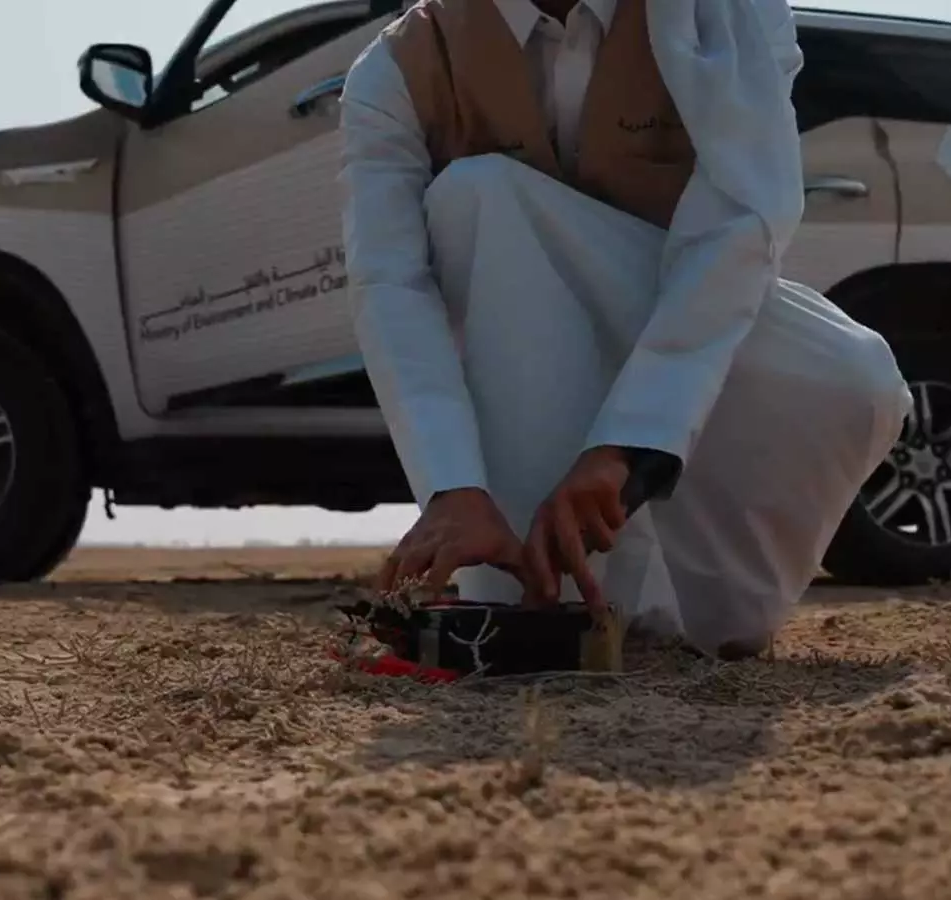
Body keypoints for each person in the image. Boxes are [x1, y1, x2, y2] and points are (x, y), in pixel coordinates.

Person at [336, 0, 913, 660]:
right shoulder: (397, 67)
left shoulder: (726, 13)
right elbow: (389, 283)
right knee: (479, 193)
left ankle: (688, 605)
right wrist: (453, 486)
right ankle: (539, 588)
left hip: (682, 331)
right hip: (518, 365)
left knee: (857, 383)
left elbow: (742, 225)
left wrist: (628, 444)